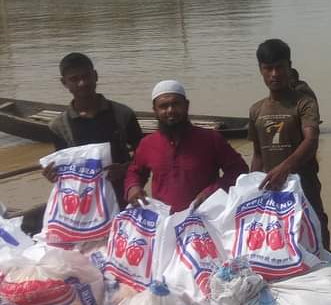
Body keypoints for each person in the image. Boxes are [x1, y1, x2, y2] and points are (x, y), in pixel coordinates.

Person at [248, 39, 330, 249]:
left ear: (289, 66)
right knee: (277, 244)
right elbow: (257, 154)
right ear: (261, 70)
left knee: (316, 239)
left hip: (305, 188)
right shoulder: (256, 109)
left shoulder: (304, 103)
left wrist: (285, 168)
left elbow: (311, 141)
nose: (274, 74)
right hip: (272, 190)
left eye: (279, 67)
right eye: (268, 68)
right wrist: (251, 187)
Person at [125, 80, 249, 212]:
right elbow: (134, 172)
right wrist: (133, 187)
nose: (170, 110)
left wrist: (214, 191)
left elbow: (239, 170)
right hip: (164, 220)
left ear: (187, 105)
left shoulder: (211, 139)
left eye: (176, 104)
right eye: (163, 106)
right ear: (155, 110)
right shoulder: (147, 144)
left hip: (205, 216)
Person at [45, 52, 143, 205]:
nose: (82, 83)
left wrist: (125, 169)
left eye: (86, 76)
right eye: (74, 79)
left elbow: (145, 157)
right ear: (64, 83)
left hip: (124, 198)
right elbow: (64, 168)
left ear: (95, 76)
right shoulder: (59, 126)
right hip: (85, 204)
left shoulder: (122, 114)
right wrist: (53, 175)